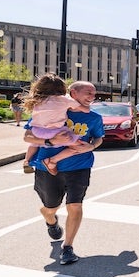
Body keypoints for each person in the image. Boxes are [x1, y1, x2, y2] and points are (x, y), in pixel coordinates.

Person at [23, 81, 104, 266]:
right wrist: (51, 140)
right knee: (50, 207)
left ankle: (68, 247)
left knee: (75, 205)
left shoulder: (94, 117)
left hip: (79, 166)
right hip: (47, 169)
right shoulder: (52, 108)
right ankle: (50, 220)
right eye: (88, 92)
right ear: (73, 93)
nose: (92, 96)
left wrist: (92, 146)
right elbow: (27, 137)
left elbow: (99, 137)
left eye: (94, 93)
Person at [20, 73, 84, 175]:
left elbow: (28, 138)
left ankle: (26, 161)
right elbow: (27, 137)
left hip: (39, 133)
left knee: (33, 144)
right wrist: (51, 141)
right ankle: (53, 160)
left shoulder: (39, 105)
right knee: (79, 145)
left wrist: (48, 141)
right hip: (51, 162)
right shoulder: (64, 101)